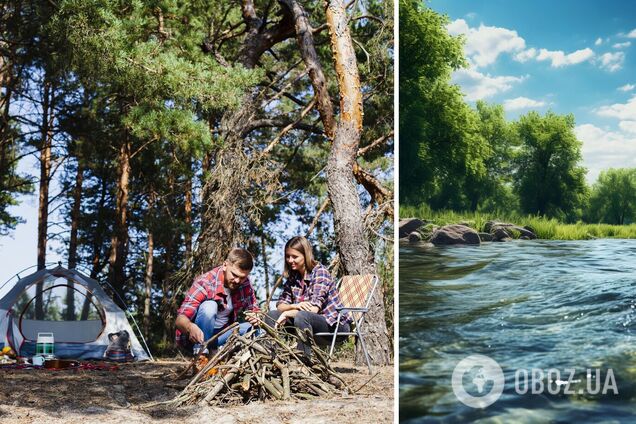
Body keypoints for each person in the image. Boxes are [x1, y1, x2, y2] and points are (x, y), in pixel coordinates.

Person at [265, 236, 351, 358]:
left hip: (334, 326)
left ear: (306, 255)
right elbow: (280, 305)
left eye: (295, 257)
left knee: (302, 316)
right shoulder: (293, 277)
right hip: (306, 324)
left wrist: (287, 313)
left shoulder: (320, 272)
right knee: (272, 315)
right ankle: (275, 359)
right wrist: (293, 306)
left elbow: (313, 310)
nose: (290, 260)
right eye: (288, 256)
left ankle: (304, 360)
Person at [175, 248, 260, 355]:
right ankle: (201, 354)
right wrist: (190, 327)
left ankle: (217, 350)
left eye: (242, 277)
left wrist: (255, 316)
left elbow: (255, 310)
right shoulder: (205, 282)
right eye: (234, 275)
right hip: (197, 338)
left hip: (221, 335)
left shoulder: (245, 284)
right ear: (225, 265)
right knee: (209, 306)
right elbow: (180, 319)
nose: (238, 281)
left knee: (256, 329)